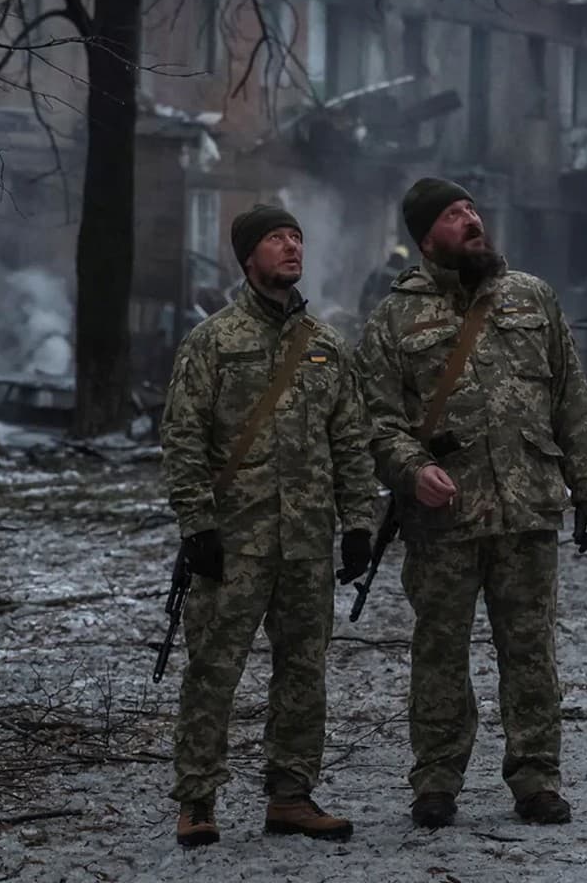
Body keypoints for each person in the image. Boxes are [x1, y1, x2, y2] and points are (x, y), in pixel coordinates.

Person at [354, 178, 587, 831]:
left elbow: (571, 402)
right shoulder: (394, 319)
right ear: (425, 236)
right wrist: (412, 471)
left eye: (471, 208)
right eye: (452, 213)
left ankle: (537, 778)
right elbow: (376, 421)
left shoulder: (532, 299)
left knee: (531, 654)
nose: (471, 219)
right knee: (439, 653)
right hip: (444, 523)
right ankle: (436, 778)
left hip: (528, 510)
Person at [160, 203, 380, 848]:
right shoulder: (213, 341)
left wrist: (359, 522)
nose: (291, 247)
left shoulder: (327, 345)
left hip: (307, 542)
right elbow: (182, 439)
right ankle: (197, 799)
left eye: (297, 238)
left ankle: (291, 795)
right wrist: (198, 524)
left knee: (303, 673)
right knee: (214, 672)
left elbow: (351, 440)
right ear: (248, 256)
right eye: (277, 239)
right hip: (235, 543)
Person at [358, 244, 412, 320]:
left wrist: (361, 308)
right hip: (387, 313)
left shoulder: (379, 270)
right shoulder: (404, 278)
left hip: (372, 307)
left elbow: (367, 288)